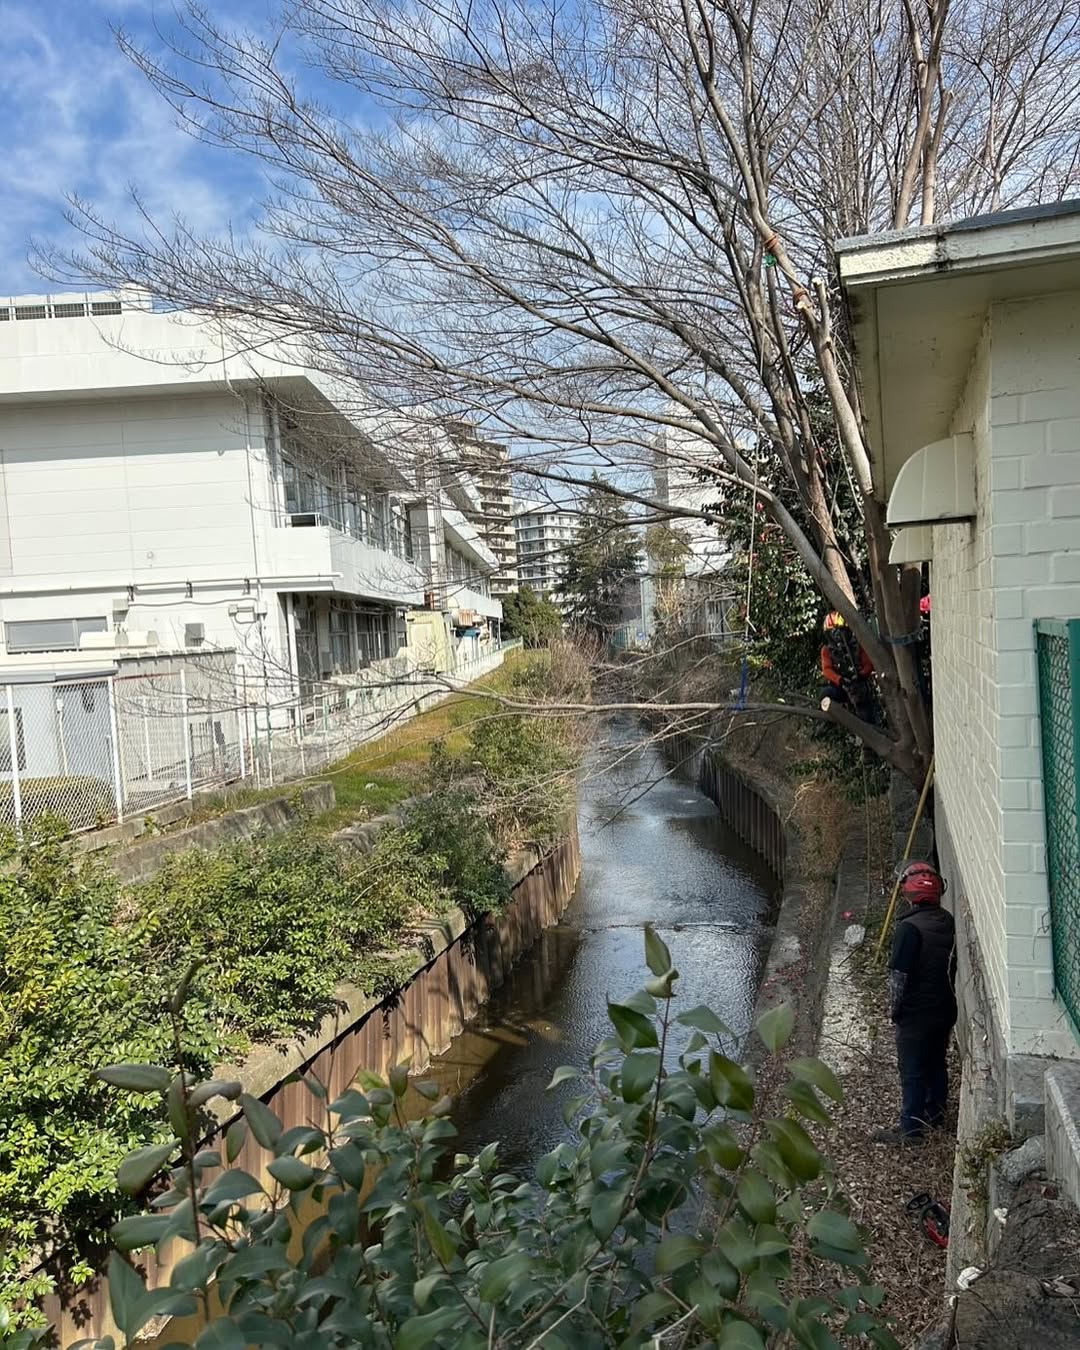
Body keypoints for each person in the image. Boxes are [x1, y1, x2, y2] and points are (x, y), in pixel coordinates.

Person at [874, 861, 958, 1146]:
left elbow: (899, 976)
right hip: (945, 1007)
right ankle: (935, 1113)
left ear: (907, 893)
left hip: (916, 1012)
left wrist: (895, 1010)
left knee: (911, 1068)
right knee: (937, 1061)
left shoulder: (908, 929)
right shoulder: (946, 921)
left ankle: (910, 1130)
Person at [819, 611, 876, 722]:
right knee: (825, 694)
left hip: (858, 685)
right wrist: (840, 680)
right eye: (833, 633)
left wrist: (860, 675)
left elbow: (868, 665)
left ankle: (870, 729)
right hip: (840, 687)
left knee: (865, 714)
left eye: (841, 631)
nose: (838, 636)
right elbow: (826, 670)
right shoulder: (827, 650)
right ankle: (833, 720)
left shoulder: (857, 645)